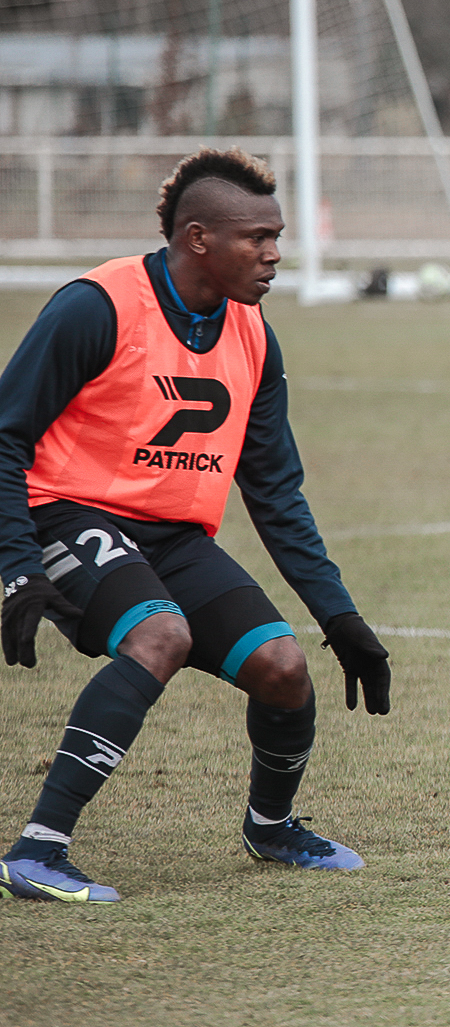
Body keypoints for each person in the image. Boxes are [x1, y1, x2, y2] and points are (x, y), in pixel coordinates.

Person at [0, 147, 392, 904]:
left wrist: (339, 617)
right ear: (198, 238)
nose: (275, 254)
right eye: (258, 238)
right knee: (162, 636)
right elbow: (5, 435)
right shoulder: (98, 305)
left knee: (282, 667)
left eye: (278, 237)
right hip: (67, 512)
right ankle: (36, 852)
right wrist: (18, 565)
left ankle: (270, 828)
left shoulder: (253, 335)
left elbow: (276, 491)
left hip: (173, 538)